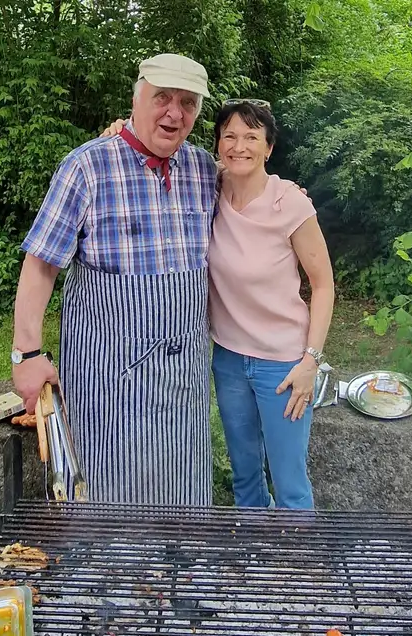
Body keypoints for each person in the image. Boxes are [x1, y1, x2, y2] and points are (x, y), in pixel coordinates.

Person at [105, 100, 335, 508]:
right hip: (228, 358)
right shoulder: (210, 184)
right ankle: (251, 554)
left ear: (269, 147)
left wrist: (310, 361)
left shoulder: (291, 204)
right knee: (244, 472)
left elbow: (323, 285)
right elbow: (149, 151)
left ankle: (297, 563)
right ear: (217, 146)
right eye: (229, 136)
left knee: (289, 479)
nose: (239, 145)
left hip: (282, 363)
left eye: (251, 137)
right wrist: (119, 132)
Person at [12, 54, 219, 505]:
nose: (174, 112)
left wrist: (287, 198)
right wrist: (26, 353)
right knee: (108, 510)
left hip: (183, 385)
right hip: (110, 389)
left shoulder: (204, 170)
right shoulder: (87, 167)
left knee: (183, 503)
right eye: (162, 98)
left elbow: (254, 196)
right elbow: (40, 264)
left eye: (187, 102)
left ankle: (180, 570)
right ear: (136, 98)